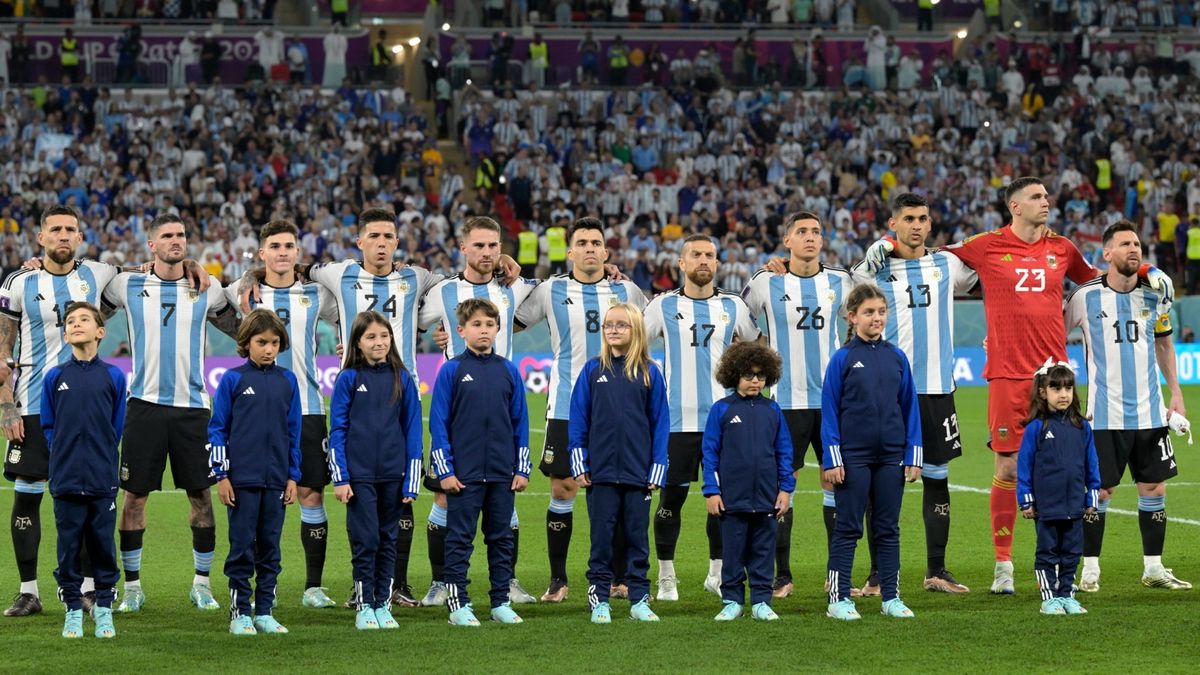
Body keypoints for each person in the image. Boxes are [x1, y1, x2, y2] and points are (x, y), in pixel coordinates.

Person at [101, 213, 239, 613]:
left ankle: (201, 584)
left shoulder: (206, 289)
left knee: (201, 497)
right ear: (152, 245)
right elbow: (88, 306)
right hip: (143, 407)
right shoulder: (127, 284)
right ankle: (132, 589)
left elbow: (241, 328)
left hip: (193, 409)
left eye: (181, 235)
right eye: (167, 236)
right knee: (134, 499)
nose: (176, 241)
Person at [850, 193, 977, 594]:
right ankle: (876, 575)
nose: (917, 225)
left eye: (923, 217)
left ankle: (936, 570)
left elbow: (992, 271)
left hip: (937, 388)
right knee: (882, 482)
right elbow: (849, 284)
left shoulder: (947, 263)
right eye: (909, 218)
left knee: (938, 478)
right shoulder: (875, 269)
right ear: (893, 223)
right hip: (886, 391)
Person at [512, 218, 644, 604]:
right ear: (570, 252)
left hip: (619, 406)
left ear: (606, 252)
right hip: (567, 404)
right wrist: (448, 334)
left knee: (619, 487)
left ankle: (620, 578)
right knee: (562, 487)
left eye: (596, 242)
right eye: (582, 242)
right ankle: (558, 579)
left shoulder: (627, 290)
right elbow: (510, 323)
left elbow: (653, 328)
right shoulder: (551, 289)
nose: (589, 248)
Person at [0, 206, 119, 617]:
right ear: (40, 237)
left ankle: (87, 589)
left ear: (81, 236)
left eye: (70, 229)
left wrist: (189, 262)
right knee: (28, 496)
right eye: (55, 229)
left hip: (83, 407)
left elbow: (148, 274)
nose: (63, 235)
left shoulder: (100, 274)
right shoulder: (18, 281)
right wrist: (5, 406)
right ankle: (29, 591)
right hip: (32, 404)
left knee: (84, 500)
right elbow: (1, 351)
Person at [416, 216, 538, 607]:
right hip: (458, 409)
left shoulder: (514, 288)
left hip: (501, 401)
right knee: (445, 499)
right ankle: (441, 583)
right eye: (479, 245)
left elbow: (526, 317)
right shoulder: (444, 291)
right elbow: (407, 321)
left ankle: (508, 583)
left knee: (505, 498)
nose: (487, 253)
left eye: (493, 245)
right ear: (463, 248)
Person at [1064, 221, 1192, 592]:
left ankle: (1153, 568)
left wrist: (1176, 394)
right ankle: (1089, 570)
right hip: (1103, 415)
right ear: (1106, 253)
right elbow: (1054, 333)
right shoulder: (1084, 297)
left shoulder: (1154, 294)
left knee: (1154, 489)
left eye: (1137, 243)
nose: (1134, 249)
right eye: (1124, 244)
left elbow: (1164, 344)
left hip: (1151, 413)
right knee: (1100, 493)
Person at [226, 220, 340, 610]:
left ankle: (312, 586)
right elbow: (207, 303)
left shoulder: (317, 294)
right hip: (257, 408)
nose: (282, 252)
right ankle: (248, 589)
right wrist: (246, 279)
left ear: (298, 252)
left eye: (289, 245)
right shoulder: (241, 292)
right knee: (256, 499)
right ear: (262, 253)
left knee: (311, 492)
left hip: (307, 406)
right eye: (274, 246)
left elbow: (354, 308)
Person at [645, 234, 760, 601]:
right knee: (670, 501)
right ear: (681, 263)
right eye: (695, 255)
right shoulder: (661, 305)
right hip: (676, 424)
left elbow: (756, 348)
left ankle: (716, 572)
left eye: (709, 255)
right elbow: (635, 349)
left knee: (722, 501)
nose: (703, 261)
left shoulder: (733, 306)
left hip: (722, 424)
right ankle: (666, 576)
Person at [742, 212, 851, 598]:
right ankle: (782, 576)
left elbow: (862, 318)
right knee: (779, 488)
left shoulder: (840, 280)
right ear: (786, 240)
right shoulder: (765, 281)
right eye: (801, 232)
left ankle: (838, 574)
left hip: (833, 403)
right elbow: (740, 323)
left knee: (836, 482)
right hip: (784, 402)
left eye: (816, 232)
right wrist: (760, 359)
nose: (810, 237)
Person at [821, 284, 922, 621]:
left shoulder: (897, 357)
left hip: (891, 455)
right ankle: (839, 599)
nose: (876, 318)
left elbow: (910, 407)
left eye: (881, 311)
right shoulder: (843, 359)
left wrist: (913, 454)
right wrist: (833, 457)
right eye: (868, 312)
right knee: (848, 527)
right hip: (853, 457)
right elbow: (830, 410)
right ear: (852, 317)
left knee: (888, 528)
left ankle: (891, 597)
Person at [429, 299, 531, 626]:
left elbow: (521, 423)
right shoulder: (451, 370)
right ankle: (458, 604)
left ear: (498, 329)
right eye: (476, 325)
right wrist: (444, 471)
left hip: (502, 474)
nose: (483, 330)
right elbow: (438, 423)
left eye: (489, 324)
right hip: (464, 475)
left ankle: (500, 601)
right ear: (461, 331)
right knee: (459, 539)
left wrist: (521, 468)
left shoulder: (508, 370)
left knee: (501, 539)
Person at [568, 303, 669, 624]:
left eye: (621, 325)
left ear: (636, 329)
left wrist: (657, 467)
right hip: (600, 474)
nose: (613, 330)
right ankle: (599, 599)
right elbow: (578, 421)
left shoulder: (650, 372)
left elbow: (660, 424)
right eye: (609, 325)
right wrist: (579, 462)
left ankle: (639, 598)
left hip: (639, 474)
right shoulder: (591, 370)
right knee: (601, 540)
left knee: (638, 539)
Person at [327, 311, 424, 630]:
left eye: (384, 336)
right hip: (359, 477)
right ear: (357, 341)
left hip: (394, 477)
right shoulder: (348, 378)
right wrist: (340, 478)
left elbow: (413, 431)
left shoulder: (403, 377)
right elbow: (337, 430)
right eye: (371, 337)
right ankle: (364, 605)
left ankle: (383, 603)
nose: (379, 342)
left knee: (388, 539)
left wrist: (411, 481)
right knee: (366, 540)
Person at [208, 309, 301, 636]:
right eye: (262, 342)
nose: (269, 349)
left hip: (276, 480)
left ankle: (264, 611)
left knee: (270, 548)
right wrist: (222, 475)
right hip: (241, 482)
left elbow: (294, 433)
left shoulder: (288, 381)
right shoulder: (233, 380)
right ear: (246, 343)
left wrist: (293, 476)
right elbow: (218, 429)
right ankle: (239, 613)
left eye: (275, 343)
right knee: (242, 547)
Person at [41, 302, 126, 639]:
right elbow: (49, 426)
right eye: (71, 321)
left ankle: (103, 608)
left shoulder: (114, 375)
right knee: (68, 546)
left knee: (103, 544)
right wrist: (64, 455)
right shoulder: (55, 377)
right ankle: (73, 610)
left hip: (102, 477)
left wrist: (100, 454)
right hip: (65, 478)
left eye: (84, 320)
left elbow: (115, 427)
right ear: (65, 334)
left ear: (100, 331)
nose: (76, 324)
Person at [702, 341, 794, 622]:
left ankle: (761, 601)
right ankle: (731, 600)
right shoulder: (721, 410)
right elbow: (710, 453)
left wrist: (785, 489)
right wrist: (711, 491)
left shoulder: (772, 410)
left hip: (767, 498)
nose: (756, 381)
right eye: (749, 375)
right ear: (734, 375)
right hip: (732, 499)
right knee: (732, 552)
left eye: (761, 376)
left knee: (763, 552)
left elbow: (784, 451)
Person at [1016, 362, 1101, 616]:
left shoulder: (1082, 427)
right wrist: (1027, 500)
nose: (1063, 394)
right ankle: (1049, 599)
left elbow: (1092, 464)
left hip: (1074, 505)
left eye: (1068, 388)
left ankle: (1067, 595)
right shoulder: (1036, 428)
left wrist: (1092, 496)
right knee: (1047, 553)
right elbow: (1024, 466)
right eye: (1056, 388)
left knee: (1072, 554)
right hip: (1047, 506)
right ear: (1043, 392)